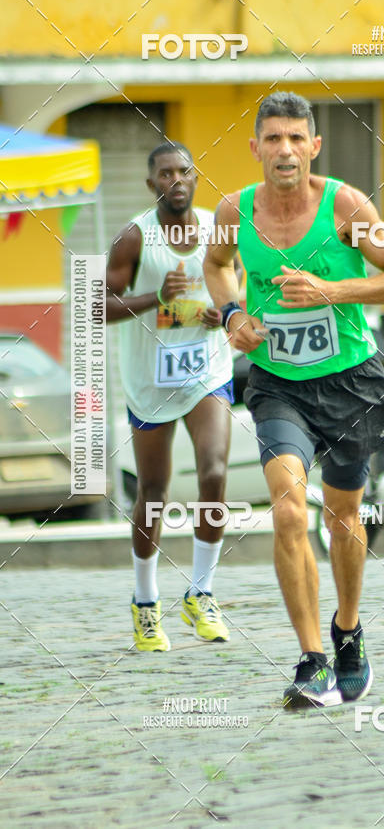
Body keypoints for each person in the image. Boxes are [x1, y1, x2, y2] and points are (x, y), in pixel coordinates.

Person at [203, 92, 384, 707]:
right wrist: (232, 313)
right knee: (289, 510)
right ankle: (312, 660)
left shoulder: (347, 205)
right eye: (273, 138)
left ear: (314, 146)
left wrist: (331, 289)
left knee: (343, 516)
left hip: (351, 382)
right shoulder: (233, 211)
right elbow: (216, 264)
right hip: (278, 384)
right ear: (256, 148)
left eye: (296, 138)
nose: (285, 150)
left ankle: (347, 630)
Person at [106, 141, 233, 651]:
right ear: (151, 184)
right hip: (151, 380)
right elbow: (99, 305)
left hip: (206, 369)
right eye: (165, 173)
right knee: (154, 493)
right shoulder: (134, 237)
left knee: (215, 472)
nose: (175, 180)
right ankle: (145, 602)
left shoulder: (218, 228)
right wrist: (156, 298)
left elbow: (236, 280)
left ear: (196, 178)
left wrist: (225, 312)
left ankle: (202, 593)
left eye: (184, 171)